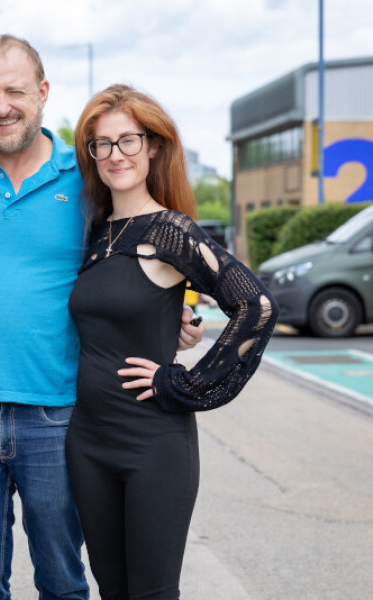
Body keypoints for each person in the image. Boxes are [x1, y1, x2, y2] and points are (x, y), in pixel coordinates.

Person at [0, 35, 204, 599]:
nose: (1, 106)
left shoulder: (87, 176)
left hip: (58, 411)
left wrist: (178, 310)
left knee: (62, 581)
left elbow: (135, 247)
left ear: (43, 92)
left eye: (14, 91)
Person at [65, 84, 279, 599]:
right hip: (88, 443)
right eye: (102, 144)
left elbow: (256, 307)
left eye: (128, 140)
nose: (116, 154)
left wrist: (185, 383)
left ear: (153, 146)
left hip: (153, 444)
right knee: (112, 590)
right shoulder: (95, 232)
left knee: (152, 593)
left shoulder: (170, 232)